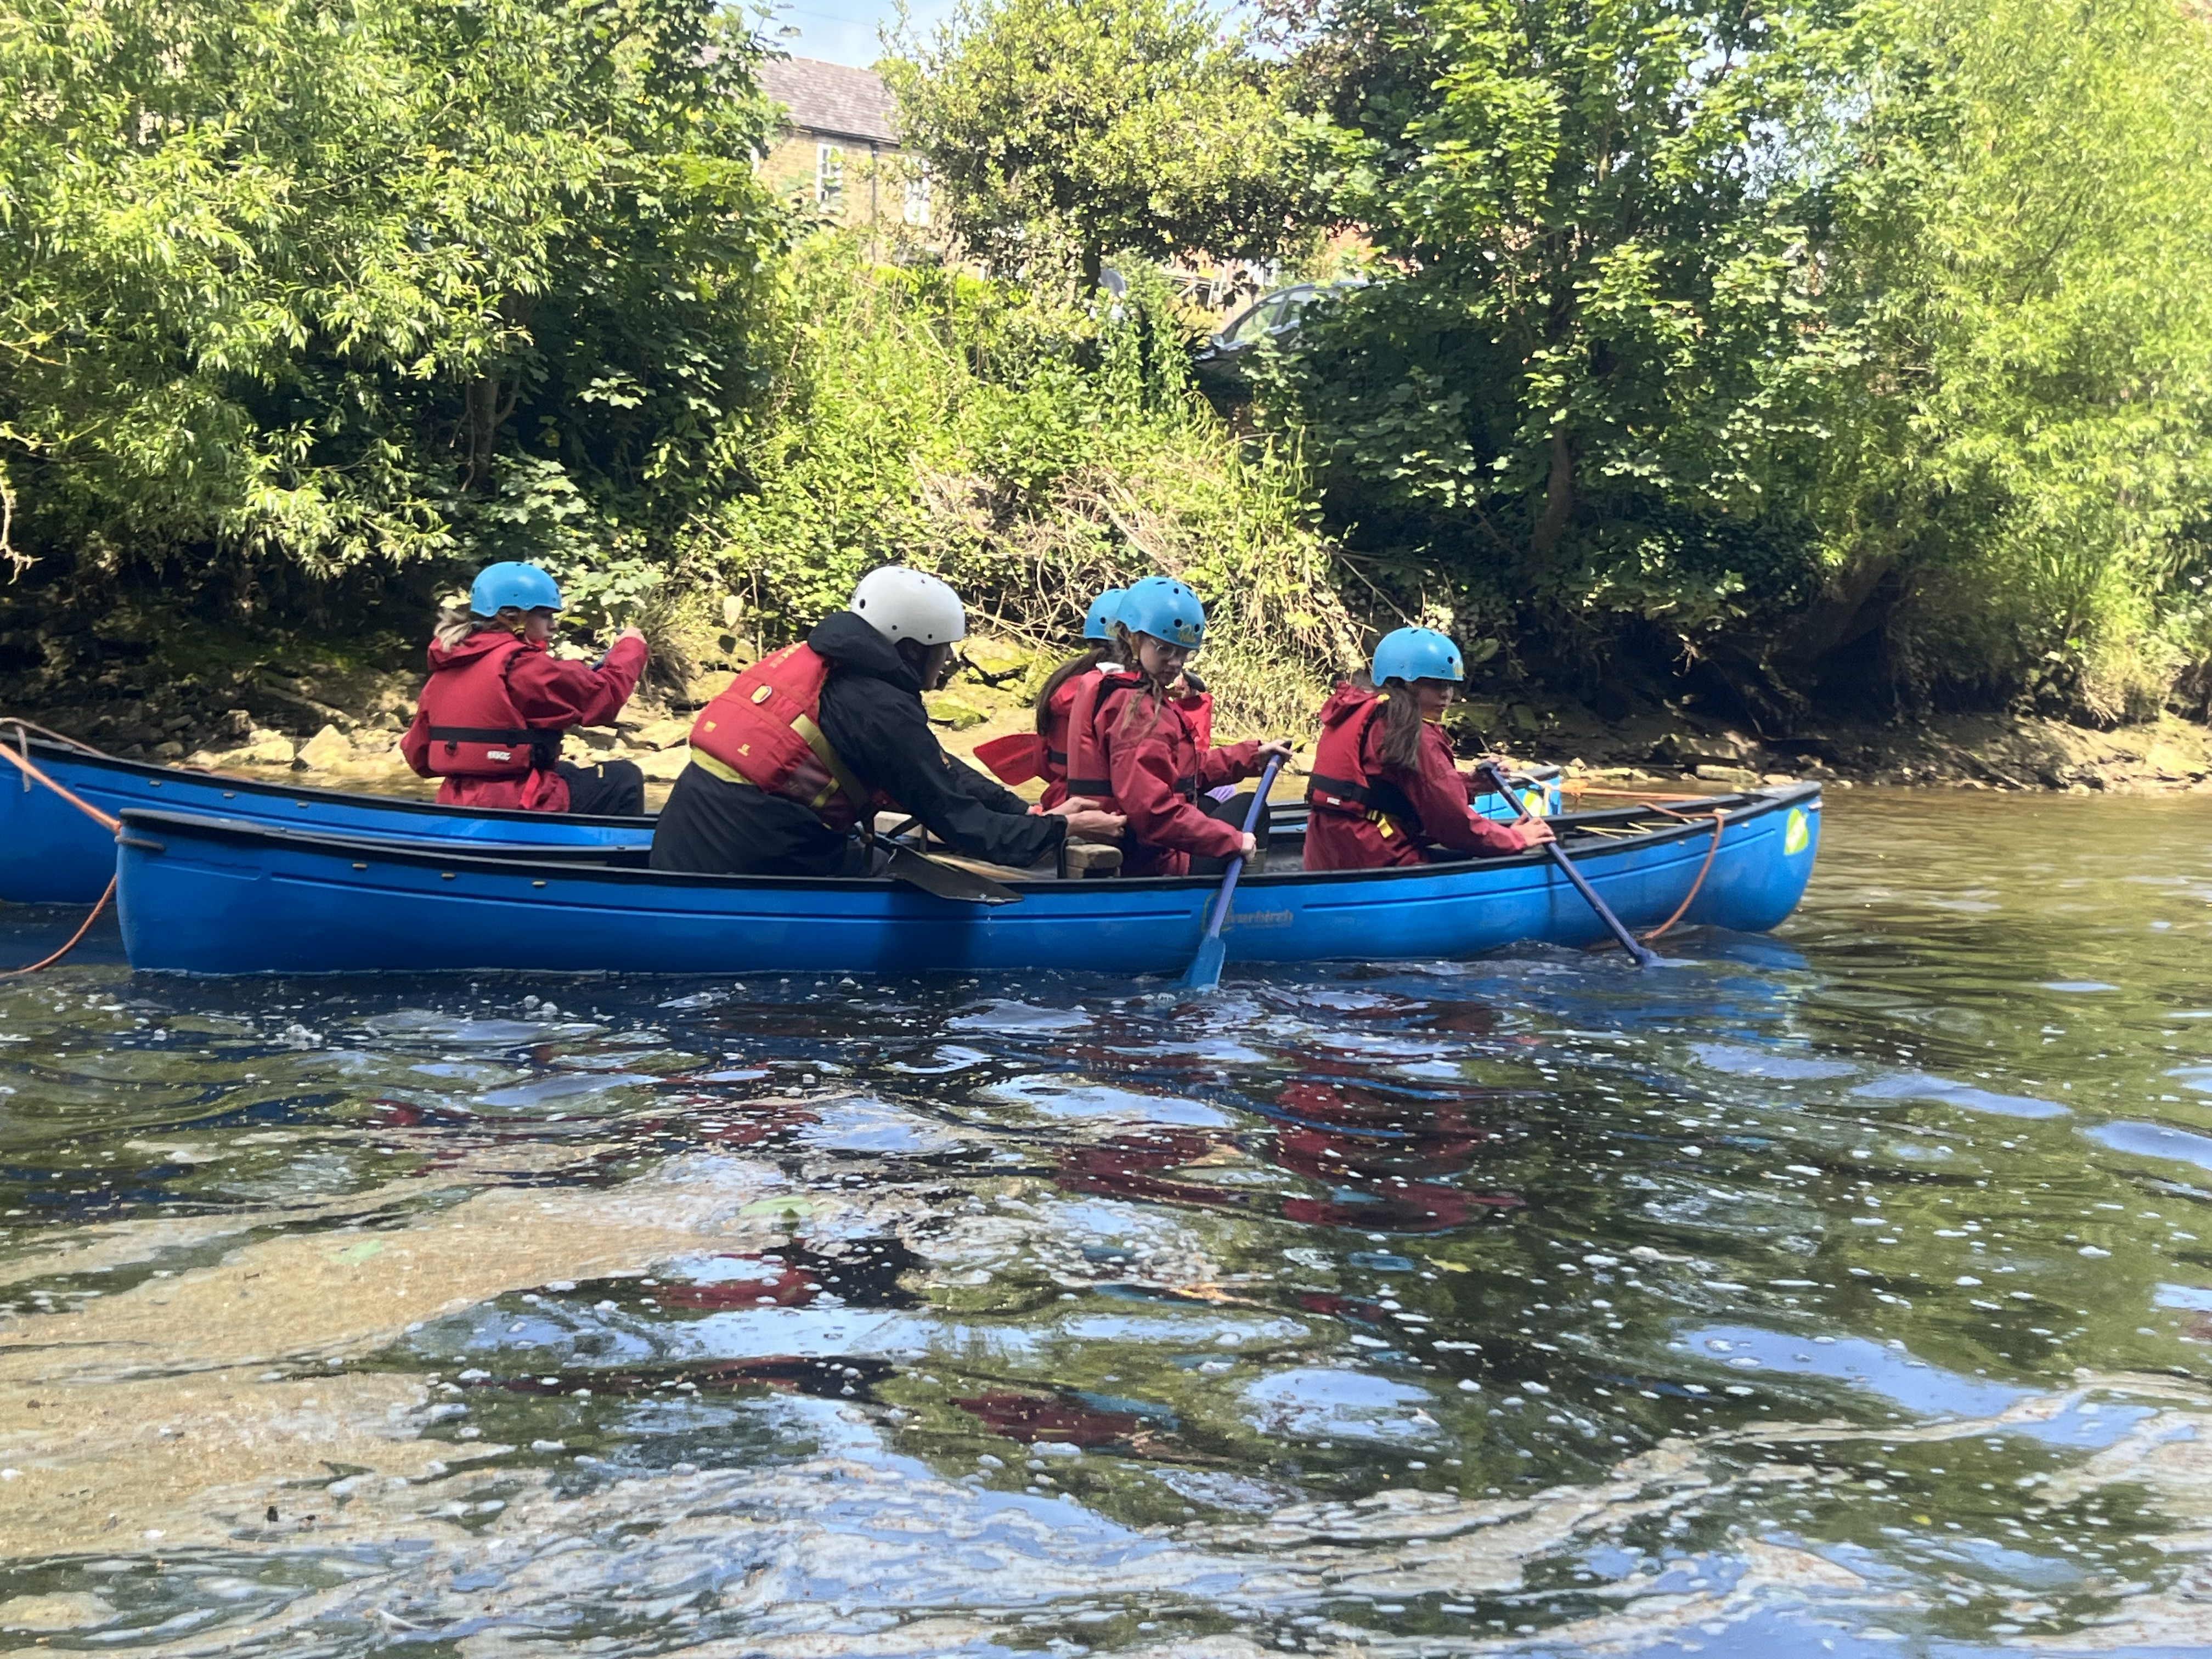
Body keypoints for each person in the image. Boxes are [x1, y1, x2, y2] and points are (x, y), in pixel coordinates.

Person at [651, 567, 1124, 876]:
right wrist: (1059, 829)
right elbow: (960, 822)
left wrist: (1025, 813)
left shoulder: (827, 663)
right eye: (943, 648)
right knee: (922, 877)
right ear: (913, 649)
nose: (948, 660)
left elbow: (932, 767)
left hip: (686, 845)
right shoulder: (876, 705)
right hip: (756, 860)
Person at [1075, 575, 1294, 877]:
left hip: (1140, 852)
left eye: (1183, 652)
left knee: (1209, 807)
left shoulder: (1122, 691)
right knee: (1250, 809)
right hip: (1152, 864)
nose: (1176, 663)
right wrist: (1233, 841)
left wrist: (1251, 756)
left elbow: (1184, 772)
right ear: (1131, 637)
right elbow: (1153, 812)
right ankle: (1244, 905)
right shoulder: (1137, 710)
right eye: (1164, 649)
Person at [400, 561, 648, 815]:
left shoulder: (444, 671)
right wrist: (631, 648)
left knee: (566, 771)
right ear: (513, 617)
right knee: (624, 779)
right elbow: (604, 698)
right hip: (517, 802)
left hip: (455, 800)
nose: (554, 625)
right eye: (546, 616)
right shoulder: (523, 667)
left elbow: (418, 756)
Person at [1303, 627, 1556, 871]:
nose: (1447, 695)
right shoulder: (1412, 732)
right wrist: (1515, 839)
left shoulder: (1359, 712)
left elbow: (1403, 786)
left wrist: (1470, 783)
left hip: (1325, 852)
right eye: (1436, 685)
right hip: (1375, 854)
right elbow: (1453, 825)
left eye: (1449, 685)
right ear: (1406, 683)